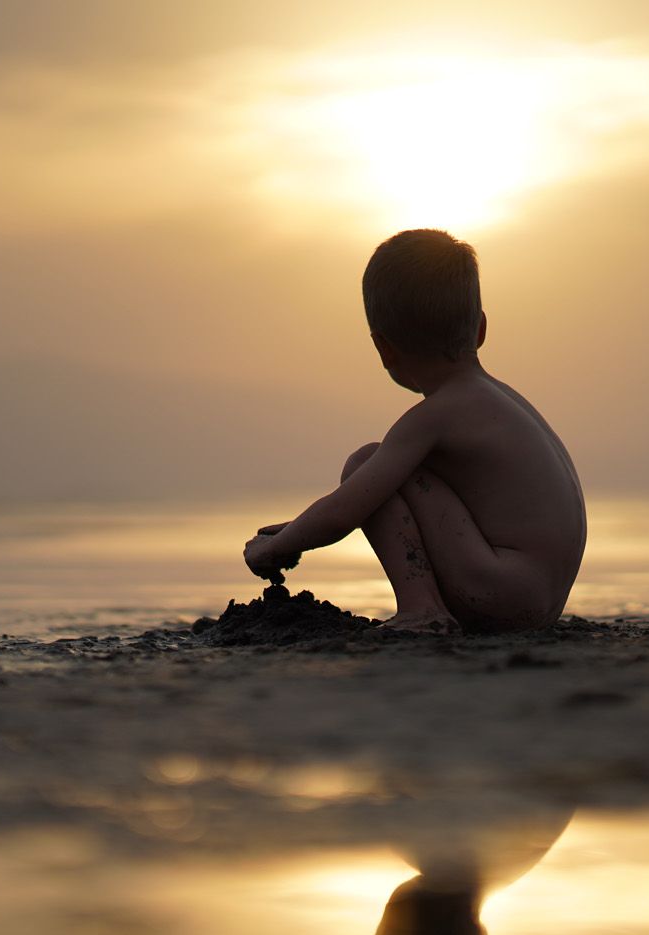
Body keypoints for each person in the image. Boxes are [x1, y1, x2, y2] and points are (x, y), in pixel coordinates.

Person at [243, 229, 586, 633]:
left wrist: (276, 550)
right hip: (540, 600)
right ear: (480, 328)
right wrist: (298, 526)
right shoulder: (502, 402)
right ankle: (428, 609)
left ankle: (421, 610)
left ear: (383, 348)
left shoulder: (434, 416)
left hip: (499, 593)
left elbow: (345, 509)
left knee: (365, 464)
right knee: (382, 476)